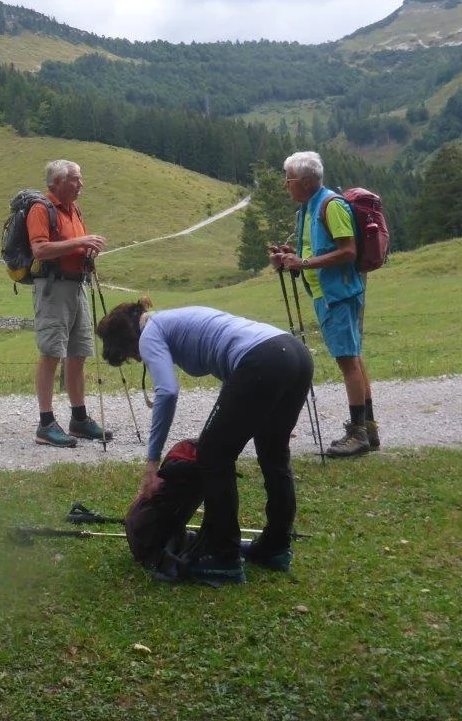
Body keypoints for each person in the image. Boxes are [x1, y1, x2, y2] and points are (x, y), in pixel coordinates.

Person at [96, 297, 313, 586]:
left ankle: (223, 556)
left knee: (212, 455)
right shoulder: (172, 319)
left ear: (127, 341)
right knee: (273, 453)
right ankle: (276, 547)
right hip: (293, 353)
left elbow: (167, 392)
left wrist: (152, 462)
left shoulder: (150, 333)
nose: (138, 359)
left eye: (130, 356)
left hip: (263, 360)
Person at [269, 150, 379, 457]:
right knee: (353, 358)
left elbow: (348, 251)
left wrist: (302, 263)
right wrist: (290, 256)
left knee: (347, 361)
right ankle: (368, 429)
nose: (286, 185)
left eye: (289, 179)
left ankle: (358, 434)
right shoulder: (309, 208)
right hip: (328, 294)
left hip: (338, 295)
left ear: (305, 182)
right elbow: (315, 249)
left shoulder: (331, 205)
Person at [26, 159, 110, 447]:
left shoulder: (74, 209)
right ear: (57, 183)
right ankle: (45, 424)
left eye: (80, 178)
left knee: (79, 352)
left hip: (77, 286)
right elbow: (39, 250)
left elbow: (74, 245)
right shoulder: (41, 209)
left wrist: (87, 251)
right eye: (75, 179)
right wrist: (80, 243)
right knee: (51, 352)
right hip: (53, 288)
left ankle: (79, 419)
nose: (80, 184)